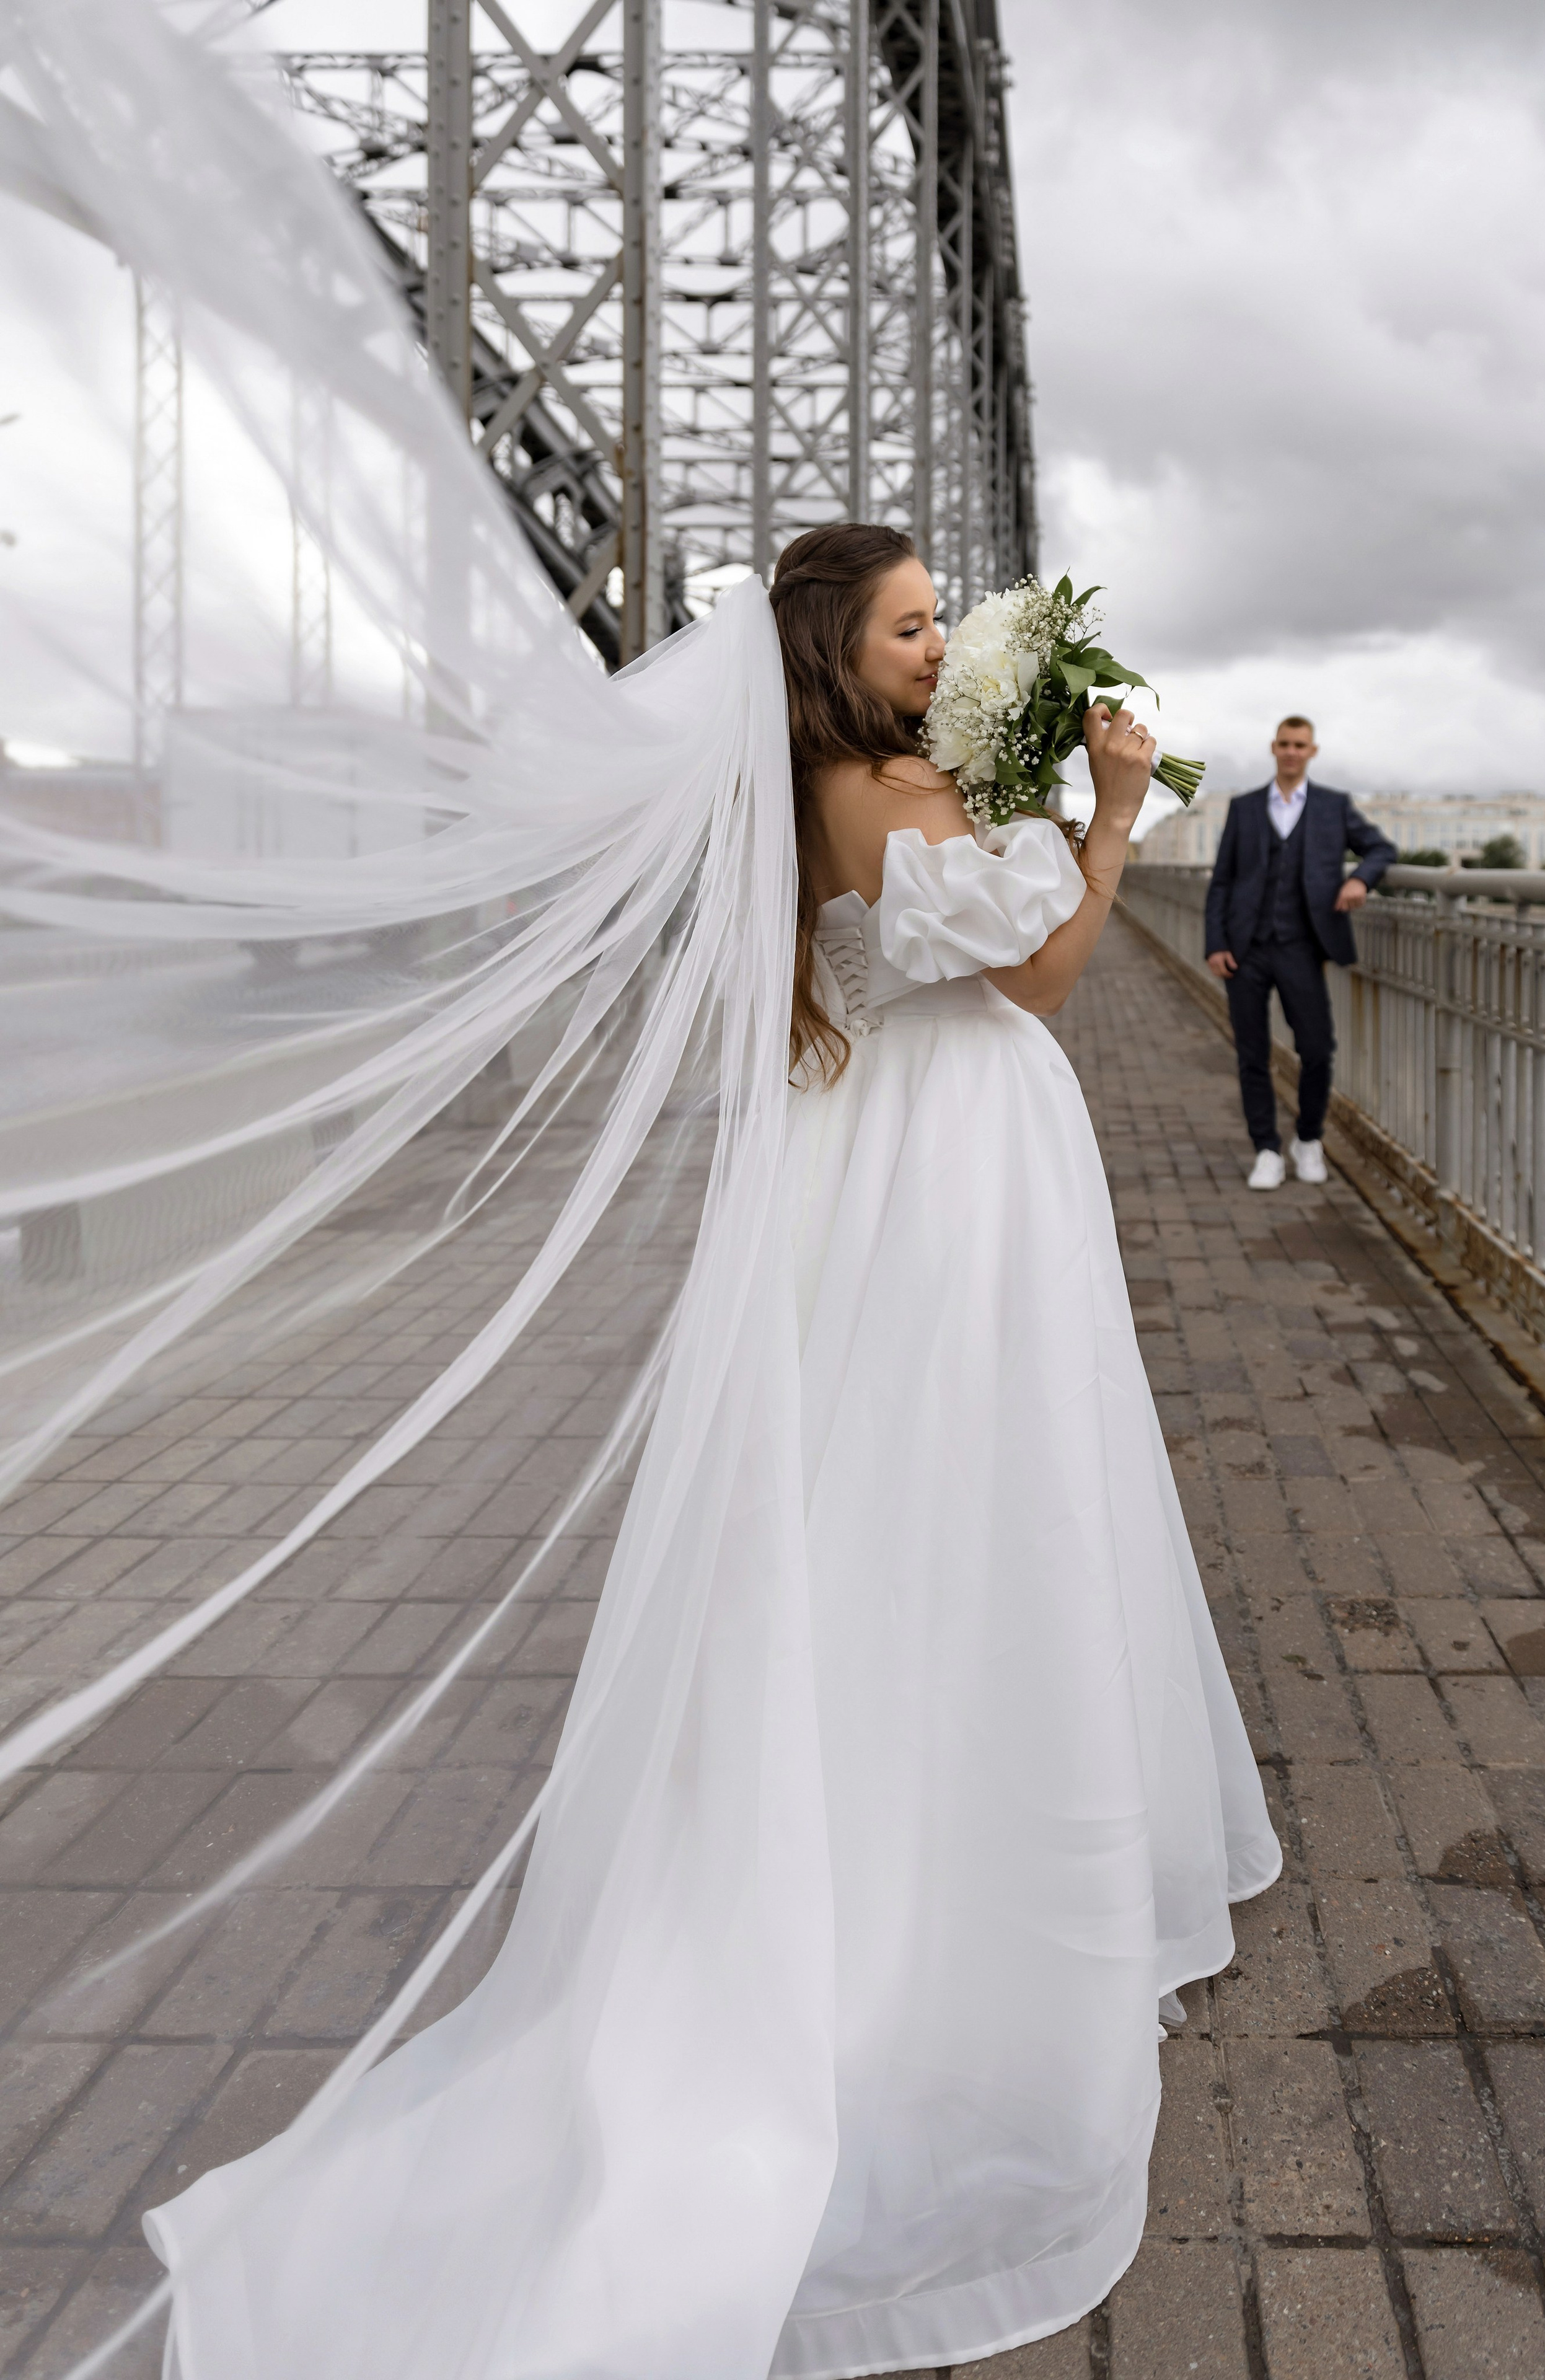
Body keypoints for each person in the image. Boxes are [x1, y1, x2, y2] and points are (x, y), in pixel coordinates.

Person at [133, 529, 1281, 2378]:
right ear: (842, 641)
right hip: (947, 1176)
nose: (933, 650)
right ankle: (953, 1909)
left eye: (942, 629)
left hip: (898, 1162)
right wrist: (1112, 809)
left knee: (892, 1524)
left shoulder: (823, 785)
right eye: (912, 626)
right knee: (977, 1510)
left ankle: (936, 1849)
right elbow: (1051, 975)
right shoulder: (878, 785)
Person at [1204, 716, 1396, 1190]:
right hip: (1244, 950)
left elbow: (1380, 849)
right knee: (1252, 1054)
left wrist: (1359, 879)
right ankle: (1266, 1150)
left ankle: (1308, 1139)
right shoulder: (1245, 807)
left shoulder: (1334, 806)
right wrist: (1215, 943)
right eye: (1285, 744)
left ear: (1312, 751)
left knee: (1316, 1049)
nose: (1291, 751)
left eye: (1300, 745)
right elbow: (1223, 881)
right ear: (1274, 748)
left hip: (1303, 947)